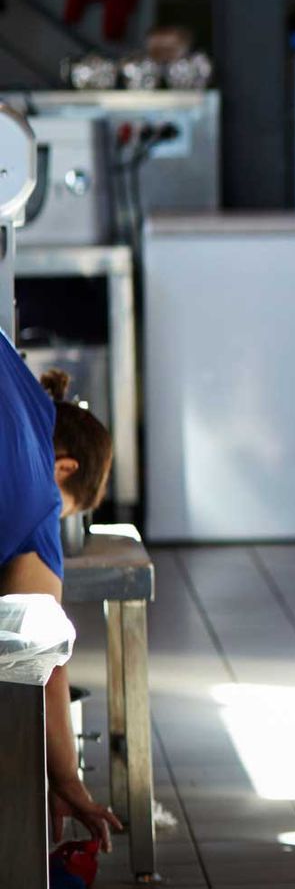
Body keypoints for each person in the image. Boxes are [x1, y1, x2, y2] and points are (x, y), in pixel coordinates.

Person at [0, 345, 120, 850]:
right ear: (65, 468)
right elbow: (40, 649)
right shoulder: (40, 491)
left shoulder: (16, 374)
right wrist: (66, 777)